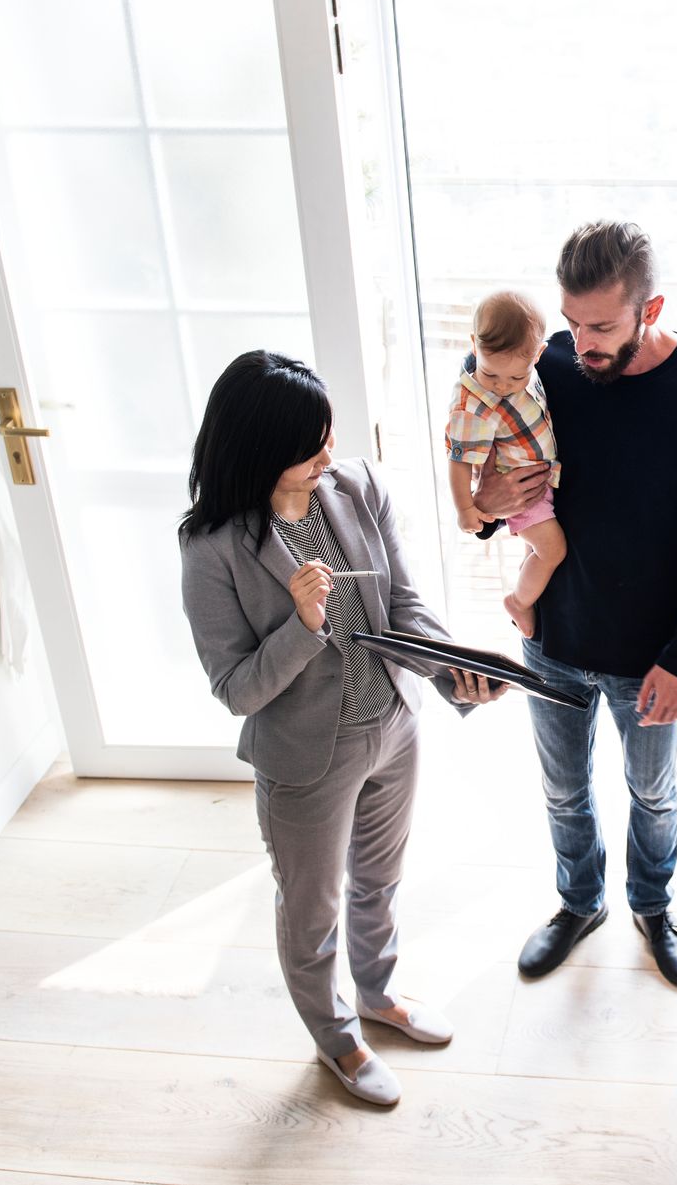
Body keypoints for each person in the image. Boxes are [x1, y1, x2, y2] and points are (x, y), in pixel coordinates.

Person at [178, 350, 509, 1107]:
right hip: (305, 760)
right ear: (261, 449)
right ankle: (335, 1036)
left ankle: (378, 994)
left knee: (381, 881)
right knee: (311, 908)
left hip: (393, 724)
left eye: (329, 435)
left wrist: (456, 668)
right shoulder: (213, 549)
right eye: (311, 444)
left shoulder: (355, 487)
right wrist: (303, 623)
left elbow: (404, 610)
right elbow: (235, 688)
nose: (330, 454)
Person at [470, 221, 677, 989]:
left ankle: (653, 905)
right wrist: (489, 502)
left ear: (649, 307)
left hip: (653, 653)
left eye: (600, 325)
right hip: (554, 636)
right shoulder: (547, 366)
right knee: (562, 788)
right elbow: (496, 474)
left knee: (653, 792)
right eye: (570, 320)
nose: (579, 340)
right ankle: (579, 900)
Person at [444, 290, 566, 638]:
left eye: (515, 378)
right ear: (473, 346)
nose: (501, 386)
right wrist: (467, 508)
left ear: (538, 354)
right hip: (520, 491)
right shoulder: (474, 403)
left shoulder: (528, 365)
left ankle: (526, 592)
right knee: (552, 550)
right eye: (491, 374)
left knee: (535, 549)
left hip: (540, 481)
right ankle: (518, 602)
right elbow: (459, 461)